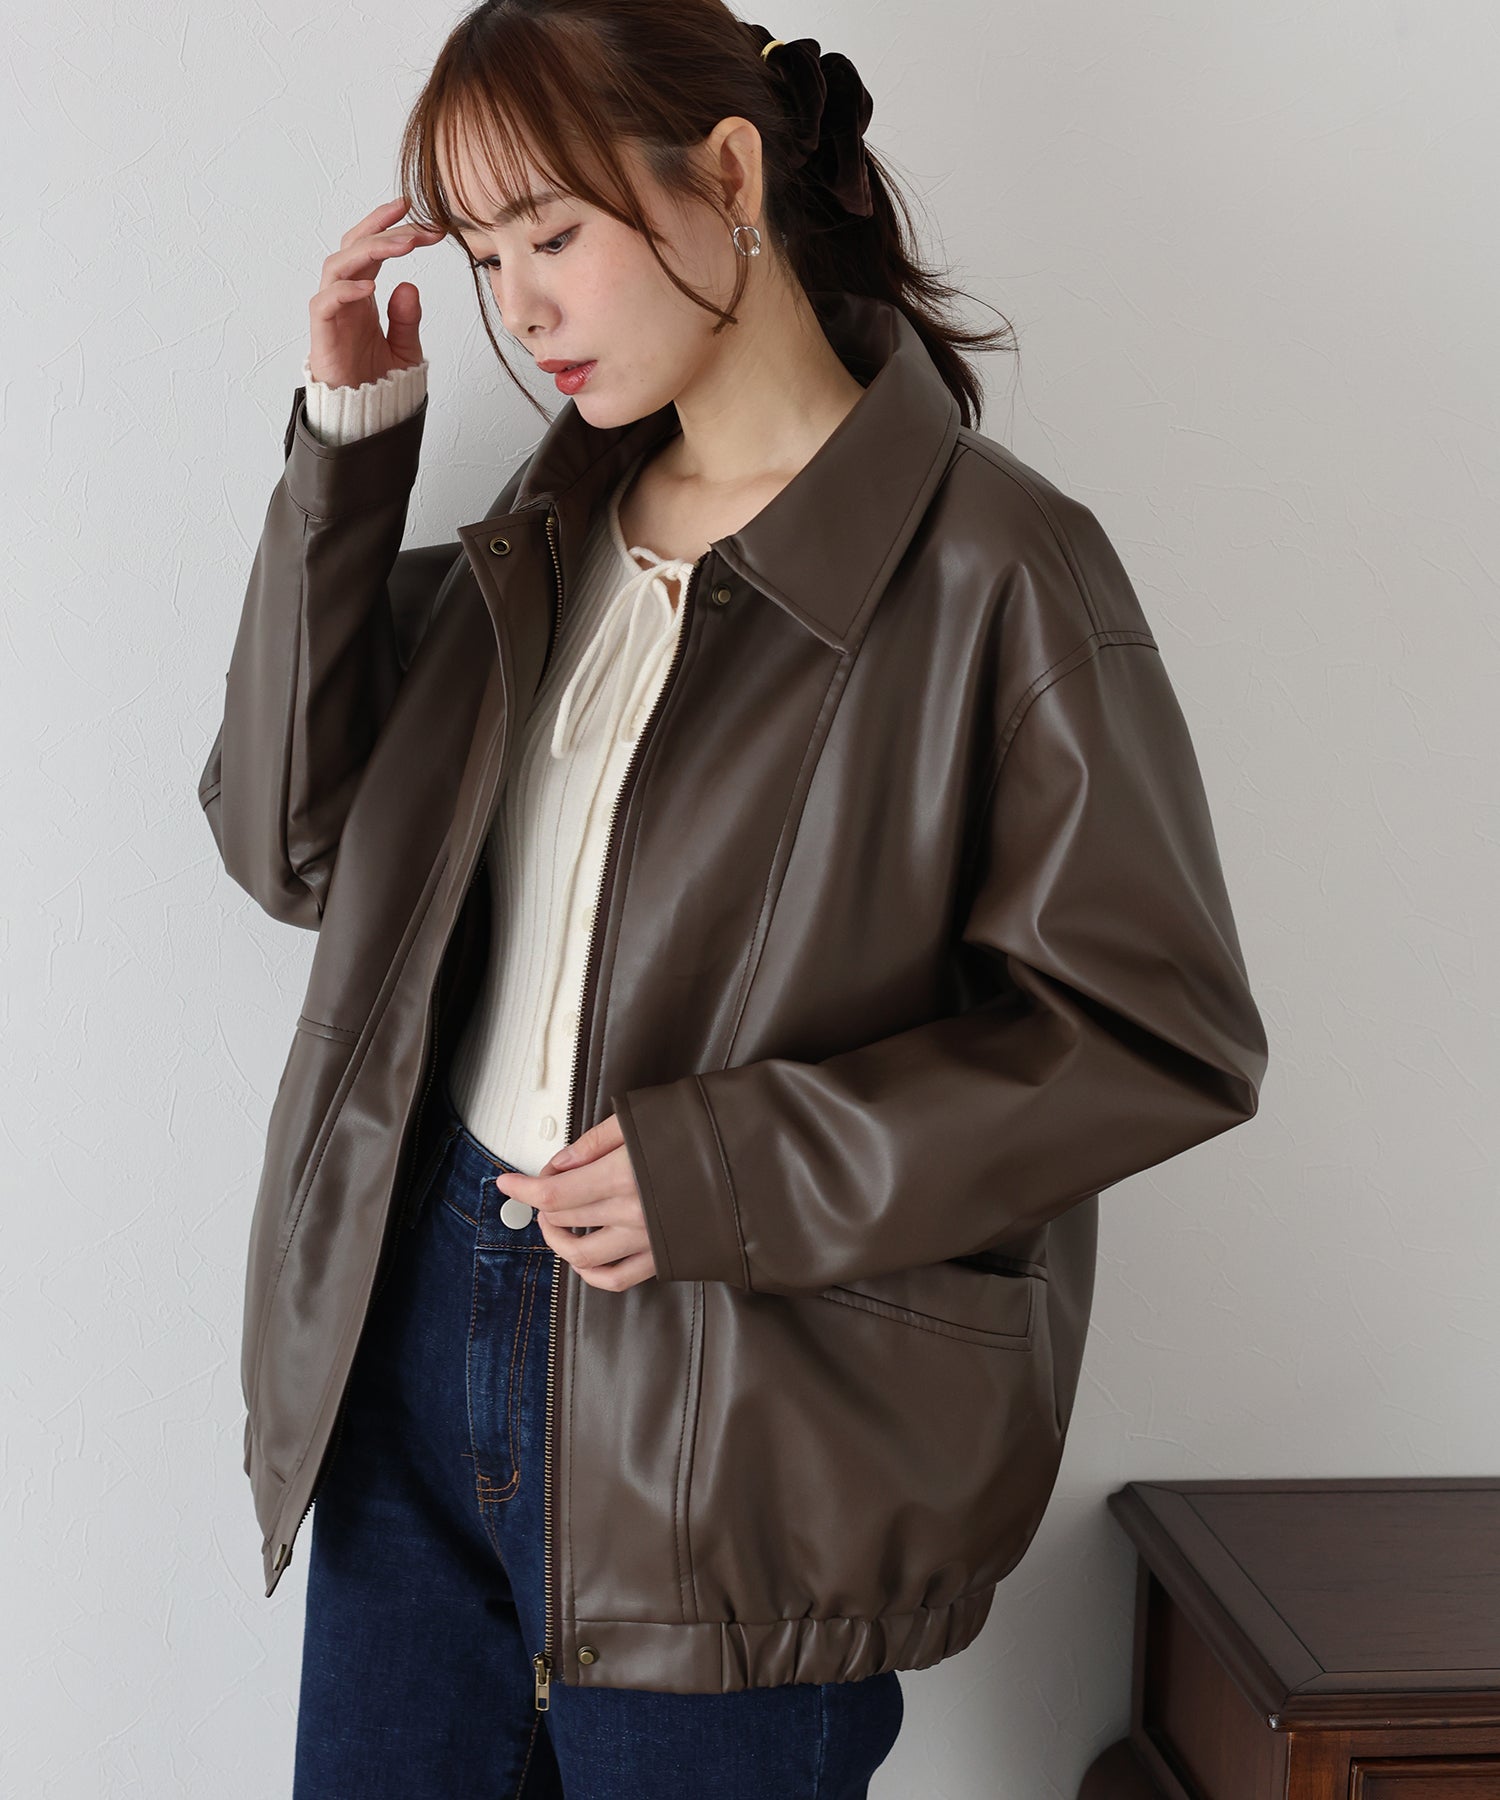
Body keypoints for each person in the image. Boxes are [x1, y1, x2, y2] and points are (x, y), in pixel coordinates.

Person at [198, 3, 1269, 1795]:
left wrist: (735, 1169)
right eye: (486, 260)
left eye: (554, 235)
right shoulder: (543, 547)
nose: (522, 309)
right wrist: (351, 442)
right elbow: (288, 840)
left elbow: (1157, 1038)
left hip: (737, 1425)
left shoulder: (999, 574)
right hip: (411, 1350)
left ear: (729, 175)